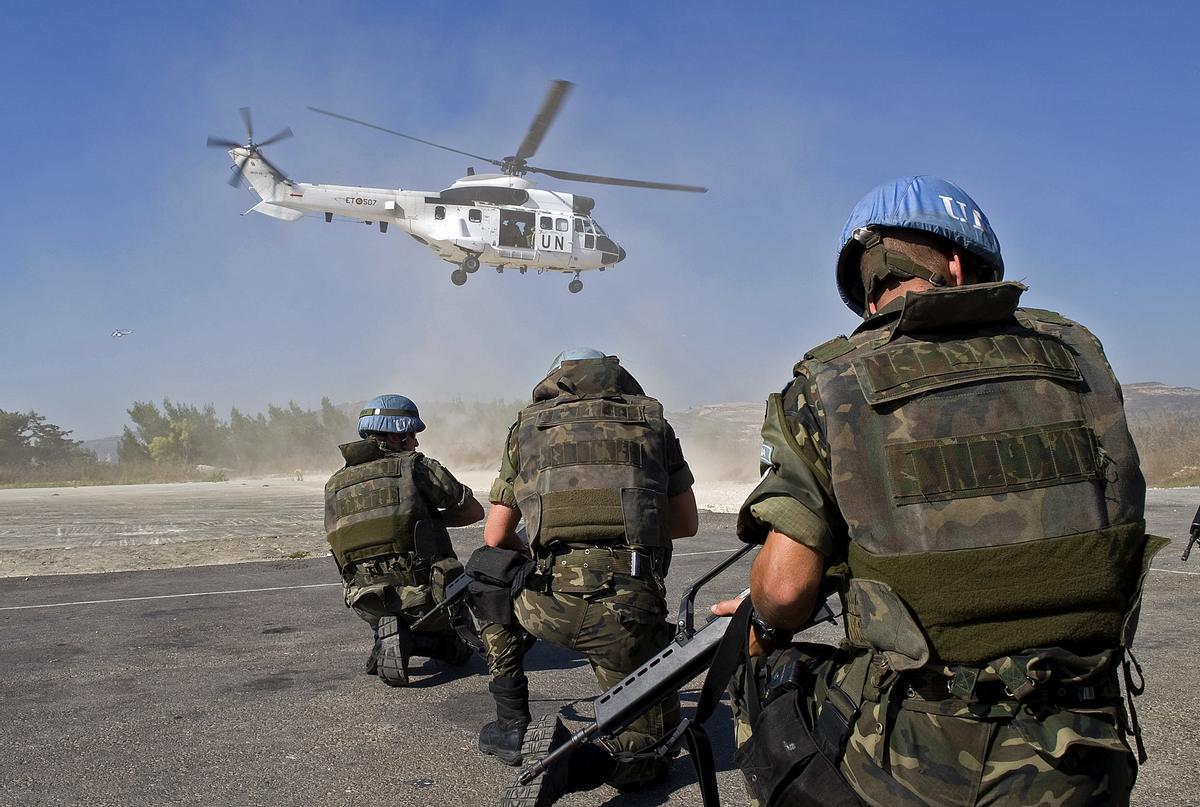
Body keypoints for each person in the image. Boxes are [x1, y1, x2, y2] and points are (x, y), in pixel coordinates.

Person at [713, 176, 1167, 806]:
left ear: (868, 294)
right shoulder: (1075, 353)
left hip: (920, 757)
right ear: (960, 265)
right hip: (1087, 750)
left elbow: (786, 590)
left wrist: (759, 621)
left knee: (765, 678)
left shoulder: (829, 383)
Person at [482, 348, 699, 806]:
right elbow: (685, 524)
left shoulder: (526, 428)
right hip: (625, 613)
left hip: (545, 604)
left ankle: (511, 721)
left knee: (486, 572)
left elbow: (496, 535)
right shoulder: (652, 423)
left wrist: (538, 545)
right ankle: (576, 764)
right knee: (652, 754)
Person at [324, 394, 484, 686]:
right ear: (396, 436)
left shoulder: (334, 484)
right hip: (427, 598)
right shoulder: (416, 467)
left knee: (389, 612)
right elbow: (474, 512)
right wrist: (430, 520)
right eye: (411, 435)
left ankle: (387, 635)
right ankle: (413, 641)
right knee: (461, 651)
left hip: (366, 601)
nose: (416, 443)